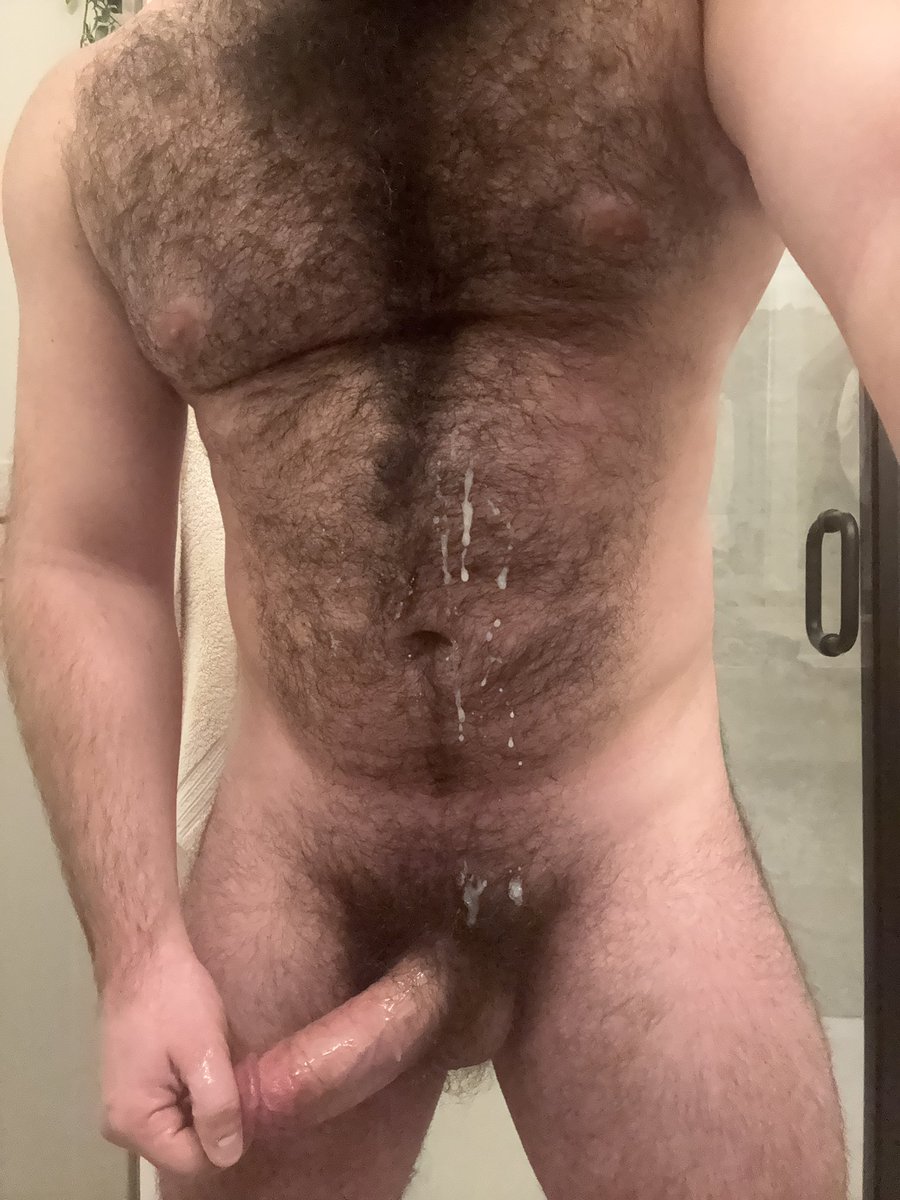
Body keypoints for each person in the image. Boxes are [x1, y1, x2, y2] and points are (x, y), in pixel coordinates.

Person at [2, 0, 888, 1195]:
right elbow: (82, 558)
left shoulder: (719, 18)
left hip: (631, 850)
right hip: (300, 860)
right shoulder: (97, 126)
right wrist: (136, 955)